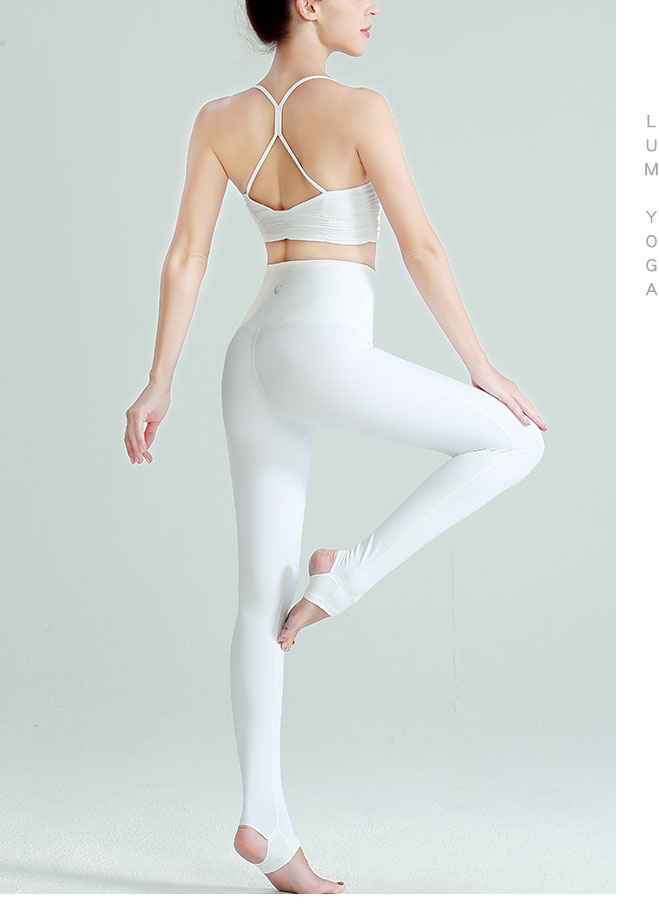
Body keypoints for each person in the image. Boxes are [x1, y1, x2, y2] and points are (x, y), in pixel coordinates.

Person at [124, 0, 547, 895]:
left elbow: (186, 258)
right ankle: (343, 577)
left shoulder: (218, 119)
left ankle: (265, 824)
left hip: (250, 356)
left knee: (258, 598)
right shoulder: (360, 109)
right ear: (307, 4)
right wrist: (481, 366)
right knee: (516, 443)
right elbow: (421, 245)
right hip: (321, 349)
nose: (375, 6)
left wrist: (159, 380)